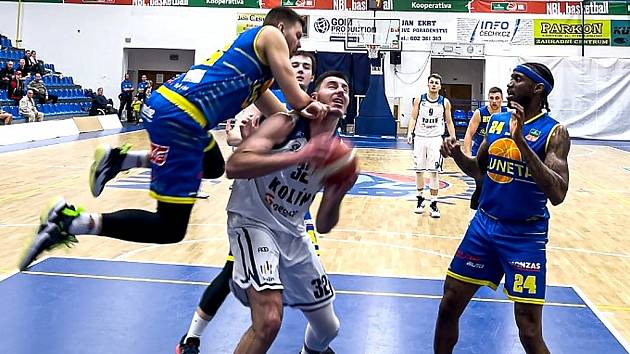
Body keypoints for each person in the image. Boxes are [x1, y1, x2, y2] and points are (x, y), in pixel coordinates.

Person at [18, 7, 330, 272]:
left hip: (174, 112)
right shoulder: (269, 35)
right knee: (169, 228)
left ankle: (122, 160)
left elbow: (286, 120)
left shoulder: (260, 74)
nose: (298, 42)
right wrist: (321, 108)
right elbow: (297, 99)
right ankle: (69, 221)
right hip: (182, 118)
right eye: (298, 34)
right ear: (280, 26)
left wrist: (312, 131)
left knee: (212, 166)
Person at [176, 52, 318, 354]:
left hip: (291, 206)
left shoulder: (314, 109)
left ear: (313, 76)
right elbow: (233, 139)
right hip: (254, 202)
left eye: (306, 67)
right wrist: (250, 141)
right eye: (295, 65)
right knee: (230, 272)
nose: (300, 70)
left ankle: (315, 343)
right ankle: (191, 337)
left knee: (313, 276)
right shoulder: (268, 97)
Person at [434, 62, 570, 354]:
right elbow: (479, 170)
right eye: (511, 77)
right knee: (448, 304)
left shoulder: (555, 132)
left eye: (517, 79)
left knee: (529, 331)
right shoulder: (496, 122)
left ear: (538, 89)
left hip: (525, 236)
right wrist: (456, 153)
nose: (509, 84)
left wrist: (521, 142)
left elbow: (558, 192)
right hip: (484, 226)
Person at [226, 71, 353, 354]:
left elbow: (322, 224)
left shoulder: (341, 155)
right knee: (269, 320)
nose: (340, 90)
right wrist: (300, 156)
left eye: (345, 88)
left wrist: (338, 192)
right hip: (252, 221)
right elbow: (233, 166)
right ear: (314, 96)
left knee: (328, 327)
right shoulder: (285, 124)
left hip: (292, 231)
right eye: (332, 85)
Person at [406, 73, 455, 218]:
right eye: (431, 82)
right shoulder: (419, 100)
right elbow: (413, 117)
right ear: (428, 84)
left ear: (440, 86)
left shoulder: (444, 102)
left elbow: (449, 121)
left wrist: (453, 137)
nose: (433, 84)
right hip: (420, 138)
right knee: (419, 171)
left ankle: (434, 203)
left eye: (436, 83)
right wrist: (409, 132)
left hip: (435, 139)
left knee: (434, 172)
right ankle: (420, 199)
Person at [462, 87, 507, 220]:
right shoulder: (480, 113)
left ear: (501, 99)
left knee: (500, 190)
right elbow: (469, 133)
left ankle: (495, 217)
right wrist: (468, 154)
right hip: (481, 156)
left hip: (499, 157)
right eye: (491, 98)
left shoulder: (507, 114)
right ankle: (472, 217)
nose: (494, 101)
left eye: (497, 98)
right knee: (480, 187)